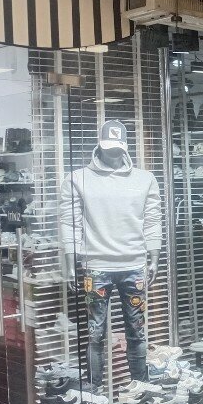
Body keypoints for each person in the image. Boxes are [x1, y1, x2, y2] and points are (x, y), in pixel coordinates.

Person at [60, 120, 161, 388]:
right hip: (96, 266)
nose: (113, 152)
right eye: (108, 146)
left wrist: (154, 257)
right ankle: (94, 393)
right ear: (99, 145)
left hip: (134, 264)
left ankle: (140, 389)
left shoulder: (145, 179)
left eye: (117, 147)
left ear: (125, 146)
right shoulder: (77, 178)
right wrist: (70, 264)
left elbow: (153, 221)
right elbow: (70, 223)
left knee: (136, 331)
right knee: (95, 334)